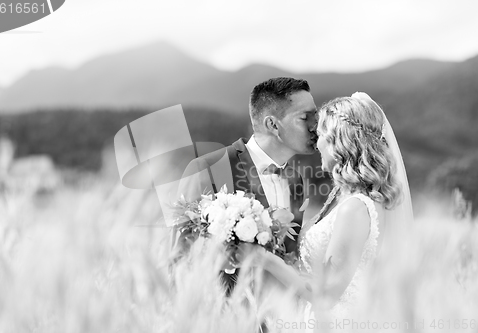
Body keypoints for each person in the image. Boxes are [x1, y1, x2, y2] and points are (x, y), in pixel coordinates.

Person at [248, 92, 413, 317]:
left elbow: (326, 295)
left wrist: (264, 259)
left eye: (321, 134)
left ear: (340, 141)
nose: (316, 144)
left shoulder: (355, 208)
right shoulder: (345, 197)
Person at [172, 77, 319, 294]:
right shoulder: (207, 168)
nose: (315, 126)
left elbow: (289, 258)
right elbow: (180, 259)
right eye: (305, 118)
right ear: (273, 125)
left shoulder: (295, 180)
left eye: (314, 116)